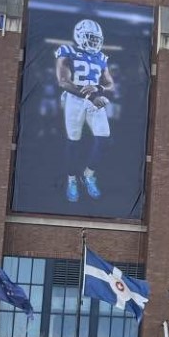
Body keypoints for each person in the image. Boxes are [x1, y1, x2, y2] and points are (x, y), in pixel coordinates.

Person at [55, 19, 115, 203]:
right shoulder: (68, 52)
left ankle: (88, 175)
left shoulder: (101, 58)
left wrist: (99, 88)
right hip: (75, 99)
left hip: (93, 100)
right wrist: (90, 96)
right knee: (74, 141)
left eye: (97, 38)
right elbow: (63, 82)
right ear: (80, 36)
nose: (95, 42)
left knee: (104, 139)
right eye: (90, 37)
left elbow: (110, 83)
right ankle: (72, 179)